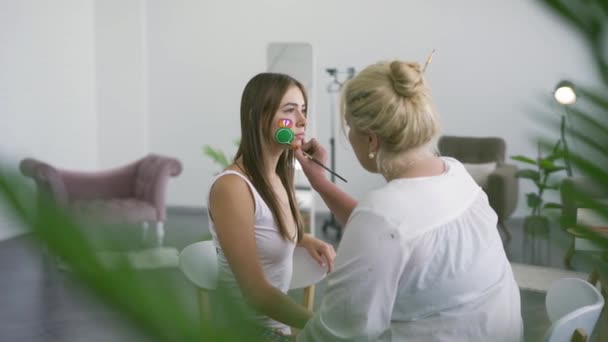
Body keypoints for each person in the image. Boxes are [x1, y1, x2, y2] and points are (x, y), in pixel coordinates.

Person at [294, 60, 523, 341]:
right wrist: (320, 182)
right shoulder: (454, 172)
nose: (349, 135)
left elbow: (335, 334)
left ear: (371, 140)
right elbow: (396, 234)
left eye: (349, 126)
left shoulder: (382, 218)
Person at [207, 72, 336, 340]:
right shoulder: (232, 188)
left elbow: (264, 228)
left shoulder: (278, 176)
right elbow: (256, 294)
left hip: (275, 329)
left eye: (303, 110)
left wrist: (304, 238)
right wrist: (322, 326)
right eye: (290, 111)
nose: (302, 121)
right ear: (259, 118)